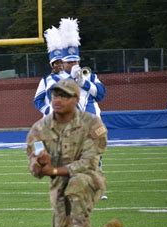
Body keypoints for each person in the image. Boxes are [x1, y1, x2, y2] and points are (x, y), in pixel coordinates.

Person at [26, 79, 122, 227]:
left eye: (64, 96)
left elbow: (88, 162)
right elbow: (35, 162)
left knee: (77, 183)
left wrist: (54, 169)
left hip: (89, 179)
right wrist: (39, 164)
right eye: (55, 95)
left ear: (76, 98)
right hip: (59, 186)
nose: (57, 100)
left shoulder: (92, 124)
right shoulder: (39, 128)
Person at [59, 17, 108, 200]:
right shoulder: (59, 80)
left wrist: (84, 82)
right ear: (63, 63)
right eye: (70, 62)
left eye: (76, 61)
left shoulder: (90, 76)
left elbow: (101, 94)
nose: (73, 65)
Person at [34, 26, 69, 116]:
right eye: (56, 63)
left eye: (61, 62)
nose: (59, 65)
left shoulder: (71, 76)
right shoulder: (45, 80)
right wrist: (47, 110)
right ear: (52, 65)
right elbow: (37, 100)